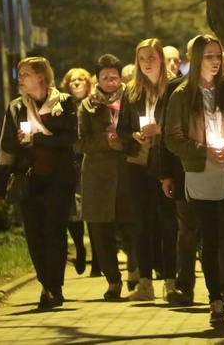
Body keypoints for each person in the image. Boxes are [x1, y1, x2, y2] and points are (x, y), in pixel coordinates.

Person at [164, 34, 224, 326]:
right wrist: (203, 151)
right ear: (197, 59)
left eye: (218, 54)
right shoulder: (182, 95)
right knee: (210, 238)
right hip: (201, 174)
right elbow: (172, 138)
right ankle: (216, 300)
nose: (216, 60)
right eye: (209, 55)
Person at [0, 57, 77, 309]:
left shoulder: (65, 103)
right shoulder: (16, 108)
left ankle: (55, 288)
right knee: (35, 235)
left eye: (25, 73)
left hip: (59, 180)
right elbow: (5, 147)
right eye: (19, 73)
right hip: (28, 180)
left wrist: (37, 139)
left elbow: (71, 139)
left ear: (41, 76)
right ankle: (45, 285)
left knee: (54, 232)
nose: (20, 78)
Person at [117, 39, 179, 302]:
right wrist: (134, 135)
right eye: (141, 59)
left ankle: (171, 281)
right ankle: (145, 283)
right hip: (138, 163)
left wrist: (161, 130)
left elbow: (185, 123)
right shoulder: (131, 91)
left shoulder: (175, 88)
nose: (146, 63)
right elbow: (121, 129)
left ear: (161, 60)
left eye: (151, 58)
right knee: (142, 224)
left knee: (168, 222)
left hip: (167, 162)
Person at [75, 55, 139, 300]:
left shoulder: (132, 100)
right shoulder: (88, 105)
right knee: (101, 232)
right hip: (97, 176)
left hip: (127, 171)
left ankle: (135, 268)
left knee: (130, 226)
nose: (111, 81)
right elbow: (80, 142)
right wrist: (105, 142)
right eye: (105, 77)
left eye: (115, 76)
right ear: (97, 79)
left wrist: (123, 143)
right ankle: (113, 281)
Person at [59, 67, 99, 277]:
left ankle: (98, 260)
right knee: (73, 212)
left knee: (92, 211)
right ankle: (80, 250)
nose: (76, 83)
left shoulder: (93, 103)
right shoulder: (63, 106)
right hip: (70, 164)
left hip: (89, 161)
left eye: (80, 80)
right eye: (72, 81)